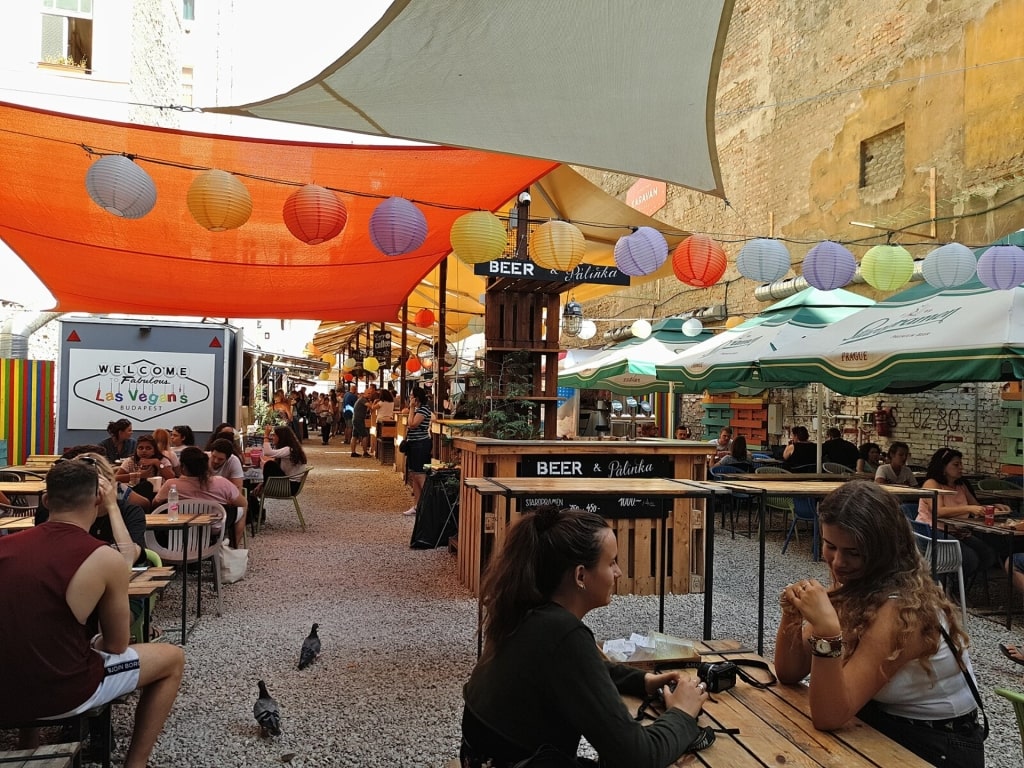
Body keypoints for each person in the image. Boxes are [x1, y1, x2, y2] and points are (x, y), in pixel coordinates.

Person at [460, 506, 707, 766]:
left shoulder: (525, 611)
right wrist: (683, 712)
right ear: (580, 575)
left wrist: (644, 681)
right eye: (611, 562)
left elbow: (583, 669)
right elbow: (637, 756)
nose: (618, 572)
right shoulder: (563, 633)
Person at [775, 481, 985, 767]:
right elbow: (789, 672)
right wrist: (793, 613)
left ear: (884, 551)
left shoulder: (902, 610)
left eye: (854, 553)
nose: (838, 562)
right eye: (830, 546)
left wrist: (827, 633)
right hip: (882, 725)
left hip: (933, 746)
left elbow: (829, 716)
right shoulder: (859, 586)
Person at [0, 457, 185, 768]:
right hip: (64, 693)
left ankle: (28, 741)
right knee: (172, 658)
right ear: (100, 498)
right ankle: (135, 764)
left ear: (46, 500)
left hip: (6, 692)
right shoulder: (103, 558)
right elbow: (117, 645)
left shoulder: (6, 547)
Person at [916, 447, 1001, 587]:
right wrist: (969, 508)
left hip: (956, 531)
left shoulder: (961, 486)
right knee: (969, 559)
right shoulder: (932, 484)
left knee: (988, 554)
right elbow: (938, 512)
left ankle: (956, 584)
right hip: (931, 532)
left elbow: (976, 508)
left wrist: (995, 508)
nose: (961, 468)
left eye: (961, 464)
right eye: (956, 465)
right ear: (943, 467)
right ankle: (950, 584)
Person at [153, 447, 247, 547]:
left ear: (183, 467)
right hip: (213, 528)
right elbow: (242, 503)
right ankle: (234, 546)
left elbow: (155, 503)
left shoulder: (171, 485)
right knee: (243, 508)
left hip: (180, 527)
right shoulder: (222, 483)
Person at [402, 386, 433, 517]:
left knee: (420, 475)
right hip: (414, 444)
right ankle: (417, 505)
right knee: (414, 475)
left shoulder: (424, 409)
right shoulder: (418, 409)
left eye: (411, 396)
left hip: (421, 445)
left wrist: (411, 408)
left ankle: (427, 504)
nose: (410, 398)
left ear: (417, 398)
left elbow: (412, 424)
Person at [350, 388, 371, 458]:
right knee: (365, 435)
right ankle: (365, 452)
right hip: (359, 420)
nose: (370, 395)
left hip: (356, 419)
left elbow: (367, 408)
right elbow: (371, 407)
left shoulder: (361, 399)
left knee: (354, 436)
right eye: (368, 393)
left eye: (370, 393)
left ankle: (353, 452)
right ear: (364, 394)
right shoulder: (363, 399)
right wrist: (375, 403)